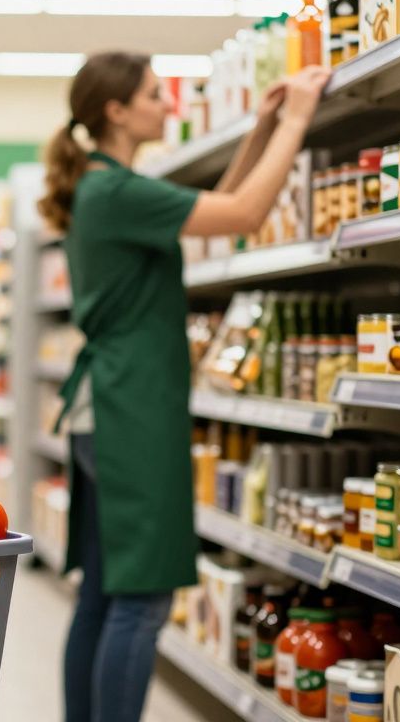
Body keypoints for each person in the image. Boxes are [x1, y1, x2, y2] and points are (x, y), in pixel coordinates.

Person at [41, 53, 330, 722]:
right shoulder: (115, 190)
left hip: (106, 407)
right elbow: (246, 213)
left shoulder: (107, 184)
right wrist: (297, 119)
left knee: (104, 597)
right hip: (130, 411)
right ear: (116, 111)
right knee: (141, 602)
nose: (166, 104)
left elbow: (213, 210)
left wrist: (259, 130)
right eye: (152, 94)